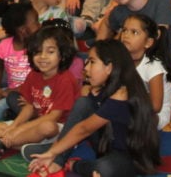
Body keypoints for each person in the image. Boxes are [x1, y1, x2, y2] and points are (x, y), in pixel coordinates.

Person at [25, 39, 161, 177]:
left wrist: (51, 152)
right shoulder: (103, 87)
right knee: (83, 103)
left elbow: (84, 129)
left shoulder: (122, 93)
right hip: (108, 144)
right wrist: (54, 153)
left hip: (130, 156)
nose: (86, 68)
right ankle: (58, 161)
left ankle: (74, 163)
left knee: (104, 168)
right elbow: (83, 122)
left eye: (92, 62)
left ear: (109, 67)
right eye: (87, 62)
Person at [0, 23, 79, 161]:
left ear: (62, 55)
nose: (43, 57)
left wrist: (18, 130)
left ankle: (5, 143)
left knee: (47, 127)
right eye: (38, 52)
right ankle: (32, 147)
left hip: (60, 128)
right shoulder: (33, 75)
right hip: (36, 124)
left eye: (50, 52)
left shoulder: (65, 80)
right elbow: (29, 106)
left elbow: (53, 117)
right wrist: (15, 126)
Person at [0, 1, 39, 126]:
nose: (39, 24)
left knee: (1, 105)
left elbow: (37, 79)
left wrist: (10, 92)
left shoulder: (37, 48)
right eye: (36, 22)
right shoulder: (5, 45)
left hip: (26, 96)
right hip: (8, 90)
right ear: (23, 30)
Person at [119, 13, 171, 130]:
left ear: (148, 42)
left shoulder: (154, 66)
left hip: (153, 114)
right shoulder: (120, 59)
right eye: (124, 30)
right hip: (129, 104)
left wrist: (125, 101)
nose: (126, 35)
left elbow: (156, 106)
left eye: (134, 32)